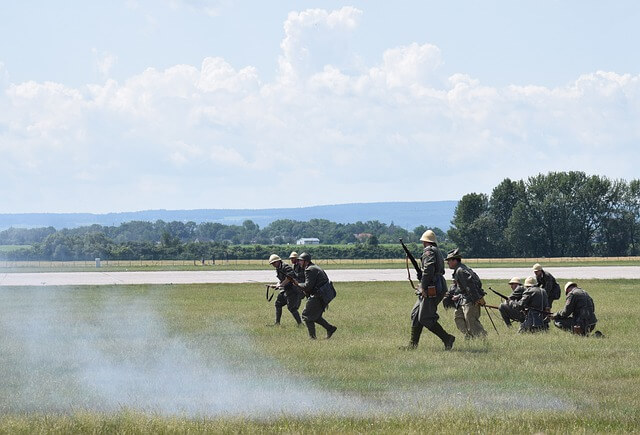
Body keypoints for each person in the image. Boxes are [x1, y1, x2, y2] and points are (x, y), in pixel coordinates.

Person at [401, 230, 455, 350]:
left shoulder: (429, 251)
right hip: (433, 284)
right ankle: (413, 344)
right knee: (416, 314)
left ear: (425, 241)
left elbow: (429, 269)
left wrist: (423, 287)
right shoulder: (436, 251)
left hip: (432, 287)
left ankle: (447, 338)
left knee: (425, 317)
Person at [291, 252, 337, 339]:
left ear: (306, 261)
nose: (299, 262)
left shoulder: (310, 270)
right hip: (323, 295)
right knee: (315, 316)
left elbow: (308, 286)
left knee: (306, 316)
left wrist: (297, 284)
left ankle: (312, 338)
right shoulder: (314, 267)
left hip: (319, 295)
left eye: (301, 261)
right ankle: (330, 328)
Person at [445, 248, 487, 339]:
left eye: (449, 261)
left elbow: (471, 287)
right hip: (463, 299)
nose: (447, 263)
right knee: (458, 318)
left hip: (470, 300)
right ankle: (469, 337)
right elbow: (463, 288)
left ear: (455, 260)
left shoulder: (461, 271)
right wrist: (459, 296)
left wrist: (477, 299)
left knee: (471, 321)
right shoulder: (460, 269)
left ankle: (482, 339)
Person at [267, 254, 303, 327]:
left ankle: (300, 324)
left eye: (274, 263)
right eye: (272, 263)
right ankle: (277, 323)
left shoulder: (285, 267)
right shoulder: (278, 268)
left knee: (292, 308)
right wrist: (275, 285)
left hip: (293, 290)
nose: (273, 265)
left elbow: (289, 277)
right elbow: (282, 280)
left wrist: (281, 285)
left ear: (278, 261)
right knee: (278, 304)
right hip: (286, 289)